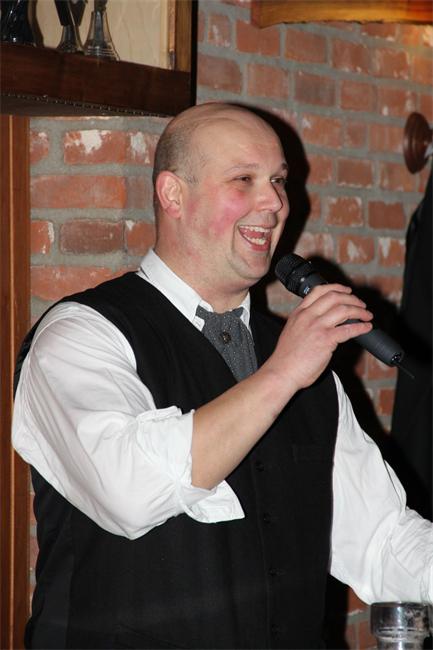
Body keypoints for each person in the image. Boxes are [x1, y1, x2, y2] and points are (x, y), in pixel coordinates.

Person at [12, 103, 433, 650]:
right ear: (172, 194)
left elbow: (380, 538)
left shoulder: (300, 359)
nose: (275, 202)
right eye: (244, 180)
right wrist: (282, 374)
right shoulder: (81, 335)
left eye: (278, 180)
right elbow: (128, 490)